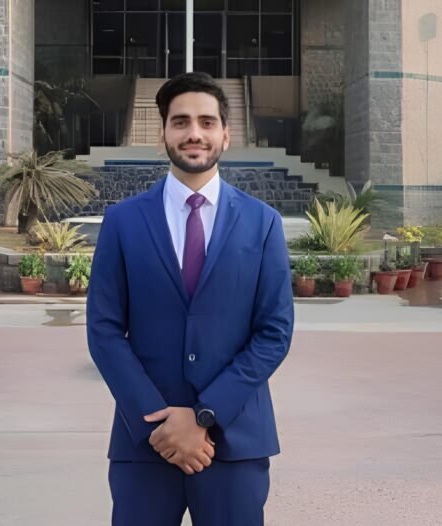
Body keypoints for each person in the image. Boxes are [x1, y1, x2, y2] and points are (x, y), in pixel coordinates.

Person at [86, 72, 295, 526]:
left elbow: (274, 333)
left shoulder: (262, 223)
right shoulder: (123, 222)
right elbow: (104, 330)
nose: (194, 133)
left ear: (226, 134)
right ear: (163, 133)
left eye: (206, 121)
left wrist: (204, 415)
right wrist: (157, 420)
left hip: (234, 441)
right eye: (180, 122)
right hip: (146, 442)